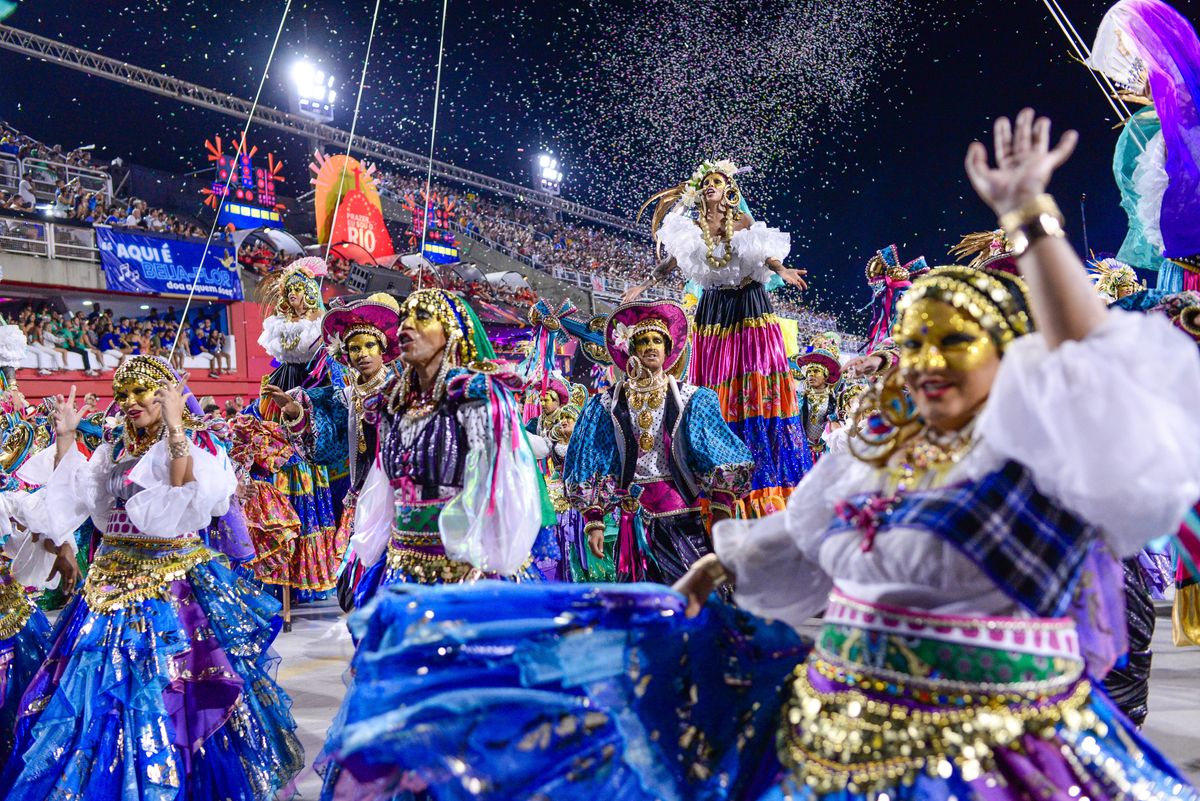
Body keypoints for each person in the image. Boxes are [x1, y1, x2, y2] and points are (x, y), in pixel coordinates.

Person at [315, 110, 1200, 801]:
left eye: (953, 341)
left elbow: (1108, 373)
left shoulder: (1046, 452)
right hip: (838, 729)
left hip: (1004, 752)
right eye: (913, 340)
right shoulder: (874, 449)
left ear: (1013, 356)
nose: (925, 360)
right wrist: (722, 561)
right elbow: (804, 534)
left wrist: (1035, 224)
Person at [0, 360, 303, 800]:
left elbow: (179, 503)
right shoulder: (113, 444)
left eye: (140, 391)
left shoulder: (197, 439)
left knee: (167, 690)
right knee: (99, 692)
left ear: (165, 392)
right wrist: (66, 438)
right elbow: (79, 502)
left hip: (171, 584)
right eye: (121, 394)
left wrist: (178, 427)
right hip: (108, 583)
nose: (129, 402)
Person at [625, 159, 811, 517]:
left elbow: (766, 255)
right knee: (716, 388)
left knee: (756, 384)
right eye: (706, 182)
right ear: (700, 191)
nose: (711, 186)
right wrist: (645, 285)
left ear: (728, 190)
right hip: (714, 313)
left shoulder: (742, 222)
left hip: (749, 307)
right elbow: (671, 264)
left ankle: (762, 480)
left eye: (717, 181)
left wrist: (783, 270)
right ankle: (718, 466)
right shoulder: (691, 230)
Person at [564, 299, 754, 586]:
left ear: (668, 351)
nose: (651, 346)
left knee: (692, 593)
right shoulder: (607, 403)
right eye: (643, 340)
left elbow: (717, 453)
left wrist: (720, 508)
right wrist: (594, 520)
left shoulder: (692, 398)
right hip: (632, 518)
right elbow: (596, 458)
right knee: (641, 600)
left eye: (657, 340)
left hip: (681, 515)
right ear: (632, 349)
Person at [794, 333, 842, 461]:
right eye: (809, 371)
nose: (811, 375)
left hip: (823, 452)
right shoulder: (799, 397)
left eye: (816, 371)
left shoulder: (833, 400)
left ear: (826, 375)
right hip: (800, 451)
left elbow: (834, 424)